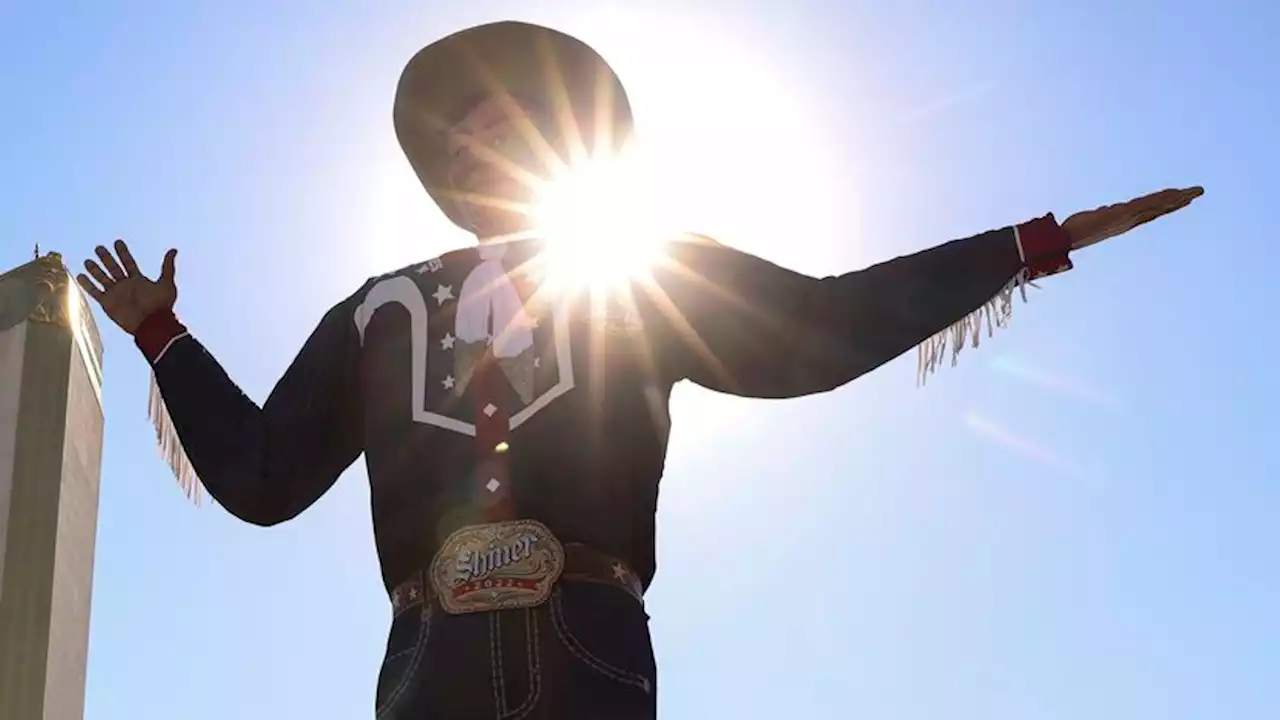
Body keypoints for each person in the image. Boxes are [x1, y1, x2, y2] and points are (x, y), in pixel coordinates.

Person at [76, 20, 1202, 720]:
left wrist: (1020, 247)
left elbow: (818, 326)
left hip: (588, 644)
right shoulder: (378, 310)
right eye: (461, 142)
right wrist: (165, 341)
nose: (483, 153)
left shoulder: (641, 275)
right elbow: (265, 476)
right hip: (429, 656)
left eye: (509, 131)